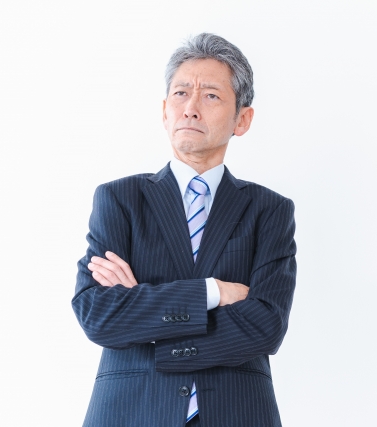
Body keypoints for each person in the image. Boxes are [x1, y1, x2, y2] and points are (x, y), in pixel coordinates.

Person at [72, 33, 297, 427]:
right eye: (180, 93)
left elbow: (265, 326)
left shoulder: (270, 210)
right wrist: (214, 292)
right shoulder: (119, 200)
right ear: (164, 111)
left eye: (210, 95)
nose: (190, 108)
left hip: (238, 413)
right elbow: (98, 314)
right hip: (131, 412)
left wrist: (145, 314)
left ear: (242, 119)